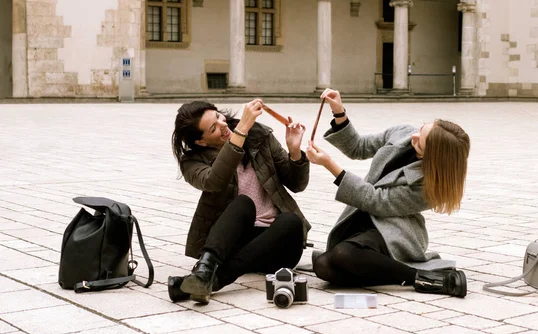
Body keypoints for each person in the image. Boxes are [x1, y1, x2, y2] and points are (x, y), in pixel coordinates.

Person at [306, 89, 470, 297]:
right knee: (324, 266)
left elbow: (378, 201)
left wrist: (330, 165)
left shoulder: (430, 186)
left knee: (342, 255)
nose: (414, 135)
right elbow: (358, 146)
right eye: (421, 128)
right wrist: (339, 112)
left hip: (395, 229)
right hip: (362, 216)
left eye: (420, 140)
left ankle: (420, 277)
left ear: (433, 157)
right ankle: (381, 269)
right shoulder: (402, 133)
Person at [168, 99, 311, 304]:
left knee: (291, 221)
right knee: (244, 204)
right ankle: (207, 269)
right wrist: (241, 131)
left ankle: (207, 279)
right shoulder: (192, 162)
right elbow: (214, 181)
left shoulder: (259, 135)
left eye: (219, 116)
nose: (223, 125)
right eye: (213, 128)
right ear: (201, 141)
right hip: (234, 242)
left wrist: (295, 151)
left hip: (278, 245)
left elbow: (297, 184)